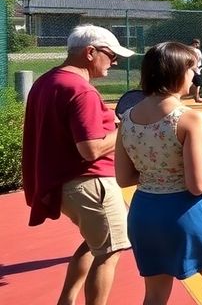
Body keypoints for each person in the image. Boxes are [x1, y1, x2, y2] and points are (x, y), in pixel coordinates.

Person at [114, 42, 202, 304]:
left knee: (155, 292)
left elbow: (124, 178)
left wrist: (157, 173)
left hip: (144, 214)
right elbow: (198, 184)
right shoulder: (191, 118)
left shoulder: (126, 118)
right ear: (177, 72)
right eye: (191, 69)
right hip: (185, 213)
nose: (194, 76)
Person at [22, 25, 135, 305]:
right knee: (110, 251)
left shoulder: (46, 81)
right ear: (90, 52)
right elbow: (91, 149)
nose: (115, 61)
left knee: (95, 243)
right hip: (89, 183)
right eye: (111, 55)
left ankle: (67, 300)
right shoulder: (81, 90)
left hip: (66, 185)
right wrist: (127, 128)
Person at [188, 39, 202, 103]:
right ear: (195, 44)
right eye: (197, 43)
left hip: (193, 69)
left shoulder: (188, 50)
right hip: (195, 69)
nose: (198, 45)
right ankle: (197, 97)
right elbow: (198, 59)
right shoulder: (196, 51)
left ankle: (196, 96)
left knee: (195, 83)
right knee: (198, 84)